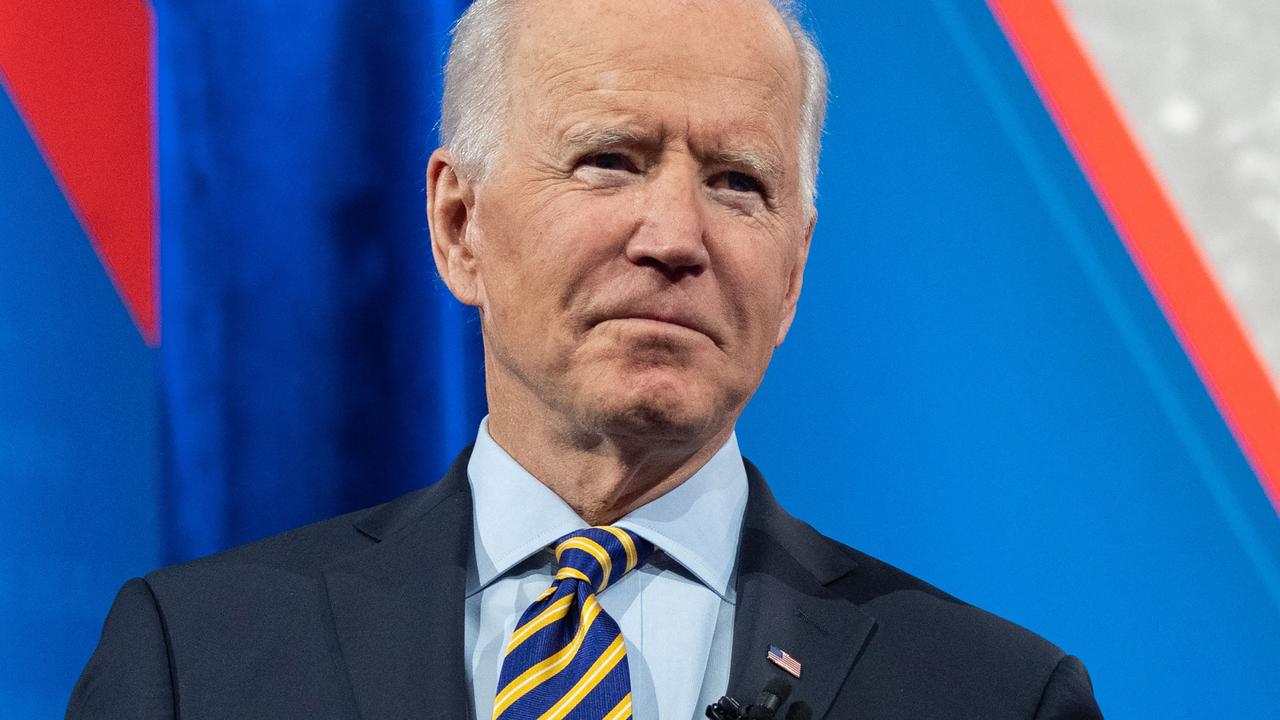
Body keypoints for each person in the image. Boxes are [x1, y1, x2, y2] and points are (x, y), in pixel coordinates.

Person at [67, 0, 1103, 718]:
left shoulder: (989, 695)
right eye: (609, 160)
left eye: (738, 182)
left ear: (792, 274)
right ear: (457, 224)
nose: (673, 236)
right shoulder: (194, 662)